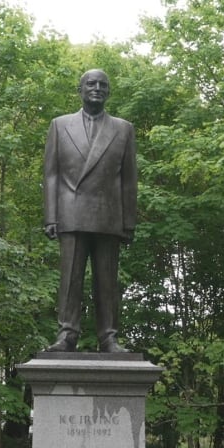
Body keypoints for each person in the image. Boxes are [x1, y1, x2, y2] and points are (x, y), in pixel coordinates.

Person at [42, 69, 137, 353]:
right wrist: (50, 216)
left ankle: (108, 337)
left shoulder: (123, 128)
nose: (97, 88)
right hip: (71, 212)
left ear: (108, 92)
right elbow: (51, 175)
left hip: (108, 214)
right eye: (91, 84)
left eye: (103, 85)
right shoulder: (59, 125)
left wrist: (129, 221)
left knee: (107, 281)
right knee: (70, 279)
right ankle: (67, 335)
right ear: (80, 89)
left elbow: (129, 179)